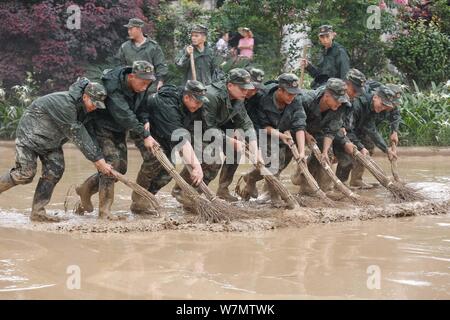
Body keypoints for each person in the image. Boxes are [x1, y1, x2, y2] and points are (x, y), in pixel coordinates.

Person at [0, 79, 112, 222]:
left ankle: (38, 212)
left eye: (98, 106)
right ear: (85, 97)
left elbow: (88, 134)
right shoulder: (66, 103)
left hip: (51, 141)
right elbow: (76, 133)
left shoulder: (84, 110)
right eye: (94, 103)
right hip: (30, 135)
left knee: (55, 170)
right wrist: (97, 160)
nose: (94, 108)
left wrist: (100, 157)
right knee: (25, 174)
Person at [75, 60, 158, 220]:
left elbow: (141, 108)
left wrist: (145, 119)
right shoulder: (113, 85)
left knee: (121, 169)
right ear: (132, 76)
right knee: (111, 165)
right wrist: (146, 135)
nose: (145, 87)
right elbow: (124, 115)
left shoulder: (141, 85)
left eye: (149, 83)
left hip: (120, 129)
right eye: (143, 82)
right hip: (102, 126)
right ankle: (104, 212)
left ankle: (85, 188)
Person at [173, 68, 262, 202]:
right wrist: (231, 141)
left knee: (234, 151)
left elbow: (246, 123)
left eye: (247, 88)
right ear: (230, 85)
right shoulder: (212, 96)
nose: (246, 91)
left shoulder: (238, 98)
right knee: (212, 157)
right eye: (242, 88)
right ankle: (180, 190)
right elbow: (208, 127)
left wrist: (256, 151)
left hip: (211, 131)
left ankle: (218, 190)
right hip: (194, 130)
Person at [130, 80, 208, 214]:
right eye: (197, 101)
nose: (199, 105)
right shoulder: (167, 104)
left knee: (168, 171)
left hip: (166, 132)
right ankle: (138, 200)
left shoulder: (194, 106)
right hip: (145, 129)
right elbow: (180, 137)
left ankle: (147, 197)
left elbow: (199, 130)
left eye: (201, 102)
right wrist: (196, 166)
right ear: (186, 97)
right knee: (154, 160)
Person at [240, 73, 306, 208]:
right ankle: (275, 197)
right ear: (279, 90)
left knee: (280, 164)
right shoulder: (263, 98)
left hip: (284, 132)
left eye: (294, 94)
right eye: (289, 94)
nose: (291, 97)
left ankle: (251, 177)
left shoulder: (296, 100)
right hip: (264, 132)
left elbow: (300, 125)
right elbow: (262, 126)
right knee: (273, 163)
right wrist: (280, 135)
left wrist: (302, 151)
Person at [215, 67, 266, 202]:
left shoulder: (249, 98)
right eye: (245, 88)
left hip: (232, 129)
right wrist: (232, 138)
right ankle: (190, 191)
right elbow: (208, 123)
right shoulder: (218, 94)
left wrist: (256, 151)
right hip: (207, 128)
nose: (249, 91)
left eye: (251, 88)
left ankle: (223, 189)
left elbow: (250, 123)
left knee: (235, 152)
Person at [292, 78, 350, 193]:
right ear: (327, 95)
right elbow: (292, 120)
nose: (339, 104)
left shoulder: (341, 106)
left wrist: (324, 151)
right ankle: (297, 175)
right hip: (294, 129)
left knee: (326, 156)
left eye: (341, 101)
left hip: (318, 131)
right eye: (337, 100)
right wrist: (305, 134)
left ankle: (321, 190)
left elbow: (331, 130)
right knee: (281, 156)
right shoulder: (306, 99)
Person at [343, 85, 399, 189]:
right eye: (382, 104)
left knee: (368, 146)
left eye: (385, 106)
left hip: (358, 128)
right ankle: (339, 183)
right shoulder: (357, 104)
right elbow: (348, 129)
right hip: (343, 129)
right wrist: (360, 146)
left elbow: (371, 129)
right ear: (375, 97)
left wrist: (387, 149)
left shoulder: (374, 107)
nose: (382, 108)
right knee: (346, 155)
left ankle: (356, 181)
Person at [116, 18, 168, 93]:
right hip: (130, 88)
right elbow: (119, 67)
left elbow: (161, 65)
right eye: (128, 30)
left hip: (149, 88)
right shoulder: (125, 47)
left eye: (131, 29)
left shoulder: (153, 47)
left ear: (139, 29)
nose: (129, 32)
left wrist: (160, 81)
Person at [301, 25, 350, 89]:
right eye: (322, 37)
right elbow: (319, 76)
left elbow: (345, 77)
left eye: (327, 36)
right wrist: (308, 66)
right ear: (319, 38)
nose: (325, 40)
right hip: (320, 88)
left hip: (334, 91)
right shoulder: (322, 52)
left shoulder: (340, 52)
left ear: (332, 35)